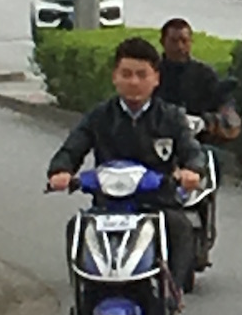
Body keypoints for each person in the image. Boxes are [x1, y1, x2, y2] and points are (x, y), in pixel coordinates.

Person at [46, 37, 205, 293]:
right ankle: (84, 299)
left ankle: (170, 297)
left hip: (157, 203)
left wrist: (192, 171)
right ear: (115, 77)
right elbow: (73, 147)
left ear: (156, 78)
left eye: (141, 74)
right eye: (126, 74)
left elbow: (191, 150)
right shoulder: (100, 116)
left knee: (180, 227)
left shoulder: (172, 117)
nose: (133, 82)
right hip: (108, 206)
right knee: (76, 228)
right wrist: (61, 171)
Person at [157, 18, 241, 143]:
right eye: (174, 41)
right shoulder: (152, 72)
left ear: (191, 42)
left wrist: (206, 121)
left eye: (184, 41)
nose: (179, 47)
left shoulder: (204, 73)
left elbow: (223, 105)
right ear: (163, 42)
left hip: (198, 138)